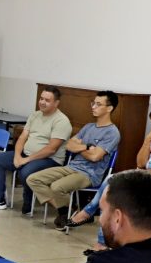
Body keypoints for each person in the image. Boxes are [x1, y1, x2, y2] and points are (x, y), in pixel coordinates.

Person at [64, 104, 151, 251]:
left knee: (121, 195)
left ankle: (89, 217)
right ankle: (100, 239)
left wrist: (137, 175)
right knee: (112, 183)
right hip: (147, 182)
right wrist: (147, 141)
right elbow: (141, 163)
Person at [26, 90, 121, 227]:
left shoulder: (112, 132)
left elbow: (95, 157)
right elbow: (69, 145)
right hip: (72, 167)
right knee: (33, 179)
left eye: (98, 104)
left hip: (89, 174)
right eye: (93, 103)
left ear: (109, 108)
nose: (93, 106)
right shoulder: (89, 127)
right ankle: (67, 211)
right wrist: (87, 147)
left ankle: (65, 215)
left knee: (57, 187)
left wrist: (80, 147)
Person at [0, 86, 73, 213]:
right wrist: (18, 156)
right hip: (27, 155)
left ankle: (28, 205)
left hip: (50, 160)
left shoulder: (62, 121)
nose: (42, 102)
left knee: (25, 171)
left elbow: (51, 149)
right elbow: (22, 137)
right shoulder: (35, 115)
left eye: (47, 100)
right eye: (41, 98)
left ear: (56, 103)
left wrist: (25, 160)